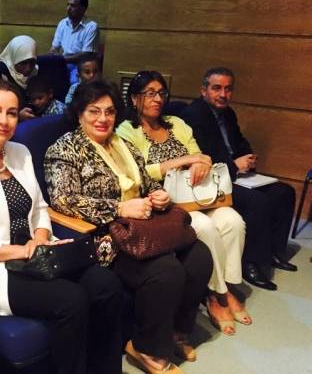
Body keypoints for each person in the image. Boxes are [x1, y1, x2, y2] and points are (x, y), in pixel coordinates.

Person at [0, 78, 124, 374]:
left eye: (12, 113)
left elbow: (39, 208)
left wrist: (40, 238)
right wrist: (25, 251)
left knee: (106, 284)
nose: (4, 120)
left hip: (40, 254)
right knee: (72, 300)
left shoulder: (20, 153)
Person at [44, 80, 213, 374]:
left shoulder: (124, 144)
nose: (103, 118)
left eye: (109, 111)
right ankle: (146, 347)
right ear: (79, 113)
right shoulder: (64, 149)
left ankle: (176, 331)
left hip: (144, 227)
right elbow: (63, 200)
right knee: (166, 270)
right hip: (104, 237)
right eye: (94, 111)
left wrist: (158, 195)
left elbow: (147, 183)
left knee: (199, 256)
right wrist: (119, 209)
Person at [116, 71, 250, 336]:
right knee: (205, 228)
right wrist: (181, 161)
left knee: (233, 221)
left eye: (161, 93)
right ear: (134, 98)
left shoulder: (177, 123)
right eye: (149, 93)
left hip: (197, 195)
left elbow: (201, 154)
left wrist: (202, 162)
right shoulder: (127, 131)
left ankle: (226, 287)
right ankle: (217, 297)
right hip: (164, 202)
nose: (157, 99)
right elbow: (138, 171)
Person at [181, 67, 298, 291]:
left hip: (236, 174)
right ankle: (250, 263)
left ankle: (273, 252)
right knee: (258, 203)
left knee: (285, 192)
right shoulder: (193, 115)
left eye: (228, 89)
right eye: (217, 88)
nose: (223, 94)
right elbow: (203, 157)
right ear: (203, 90)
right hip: (213, 180)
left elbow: (239, 142)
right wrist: (234, 165)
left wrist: (248, 157)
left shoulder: (228, 114)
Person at [49, 0, 99, 84]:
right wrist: (54, 57)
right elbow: (54, 48)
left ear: (83, 9)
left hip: (80, 65)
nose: (68, 8)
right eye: (68, 5)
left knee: (74, 82)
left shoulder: (91, 27)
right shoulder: (63, 23)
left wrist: (60, 59)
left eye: (73, 6)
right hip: (62, 63)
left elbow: (86, 55)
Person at [0, 35, 38, 120]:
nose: (28, 68)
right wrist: (17, 116)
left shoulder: (36, 71)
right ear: (13, 59)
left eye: (32, 62)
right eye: (23, 63)